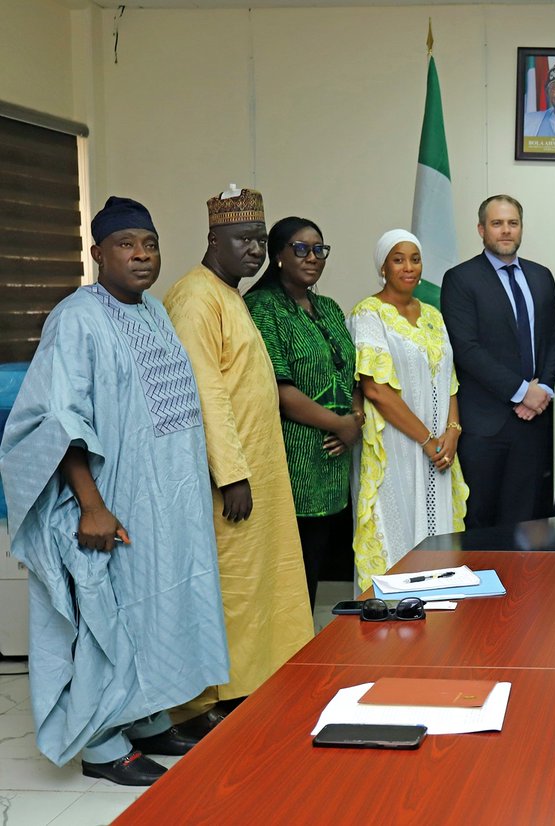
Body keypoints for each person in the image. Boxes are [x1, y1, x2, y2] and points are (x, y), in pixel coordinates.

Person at [0, 197, 228, 785]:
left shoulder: (152, 310)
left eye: (149, 243)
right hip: (112, 500)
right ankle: (102, 743)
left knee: (159, 605)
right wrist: (93, 506)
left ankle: (147, 717)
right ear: (97, 254)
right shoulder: (77, 317)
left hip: (166, 499)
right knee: (112, 612)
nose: (142, 254)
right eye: (127, 244)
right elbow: (57, 419)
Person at [163, 186, 312, 734]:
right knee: (232, 586)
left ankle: (252, 684)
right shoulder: (195, 298)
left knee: (259, 583)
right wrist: (231, 473)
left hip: (259, 468)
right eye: (242, 240)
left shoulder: (228, 294)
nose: (254, 250)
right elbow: (206, 393)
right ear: (212, 240)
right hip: (229, 478)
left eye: (258, 239)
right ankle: (214, 699)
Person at [245, 217, 362, 610]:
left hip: (332, 466)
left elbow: (354, 376)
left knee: (316, 570)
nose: (312, 257)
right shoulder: (262, 308)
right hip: (293, 462)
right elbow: (277, 390)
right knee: (290, 577)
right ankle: (288, 658)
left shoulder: (328, 307)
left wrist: (355, 420)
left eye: (319, 249)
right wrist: (341, 425)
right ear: (278, 255)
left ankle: (304, 650)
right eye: (300, 248)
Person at [350, 229, 468, 589]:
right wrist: (427, 440)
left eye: (414, 258)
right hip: (396, 447)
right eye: (398, 259)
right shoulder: (368, 314)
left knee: (438, 547)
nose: (408, 267)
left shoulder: (433, 314)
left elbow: (449, 378)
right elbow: (375, 389)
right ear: (382, 267)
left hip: (439, 452)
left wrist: (452, 433)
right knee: (396, 541)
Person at [441, 195, 555, 529]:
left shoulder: (541, 276)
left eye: (513, 223)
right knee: (481, 520)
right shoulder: (461, 279)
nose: (506, 231)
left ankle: (524, 584)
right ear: (481, 229)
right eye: (497, 224)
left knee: (529, 522)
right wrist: (522, 391)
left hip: (534, 422)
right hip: (485, 425)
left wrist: (544, 388)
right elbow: (466, 348)